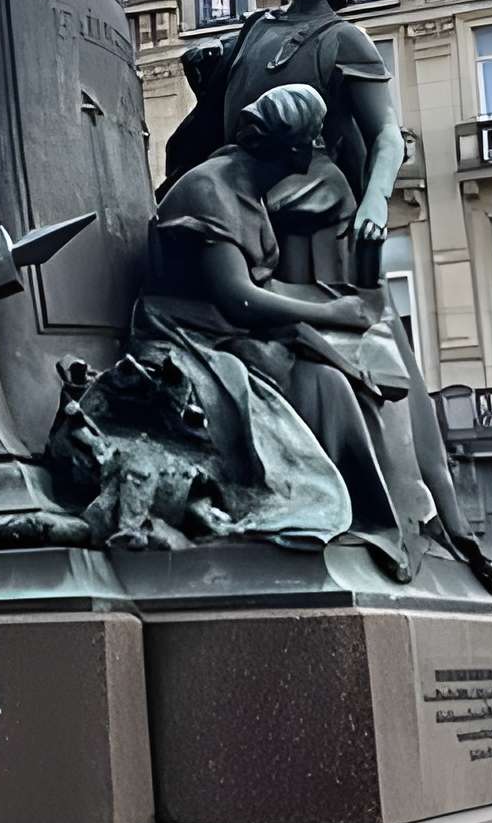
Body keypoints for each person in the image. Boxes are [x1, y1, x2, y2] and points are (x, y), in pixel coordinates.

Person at [162, 0, 489, 566]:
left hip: (312, 207)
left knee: (379, 352)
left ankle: (439, 507)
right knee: (322, 346)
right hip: (245, 191)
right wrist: (209, 81)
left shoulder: (345, 41)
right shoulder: (258, 28)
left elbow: (389, 136)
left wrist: (374, 201)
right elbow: (218, 117)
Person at [141, 82, 431, 576]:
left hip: (239, 335)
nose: (320, 147)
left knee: (339, 382)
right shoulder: (211, 189)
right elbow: (240, 299)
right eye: (314, 138)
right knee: (322, 388)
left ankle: (372, 524)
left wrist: (339, 354)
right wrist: (333, 315)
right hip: (194, 338)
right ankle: (343, 515)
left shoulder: (251, 188)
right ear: (292, 147)